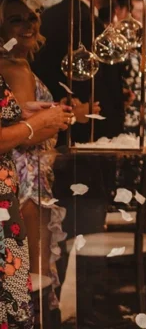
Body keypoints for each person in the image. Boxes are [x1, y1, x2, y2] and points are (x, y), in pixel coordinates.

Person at [0, 0, 79, 316]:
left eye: (31, 17)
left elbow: (16, 118)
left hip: (26, 171)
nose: (28, 25)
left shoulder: (20, 63)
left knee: (30, 269)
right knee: (31, 271)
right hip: (24, 174)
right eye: (16, 19)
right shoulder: (12, 68)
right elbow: (26, 132)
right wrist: (40, 124)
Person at [0, 72, 74, 327]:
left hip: (6, 199)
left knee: (13, 292)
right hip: (11, 196)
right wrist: (36, 123)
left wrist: (21, 114)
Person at [33, 0, 126, 141]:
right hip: (84, 133)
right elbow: (89, 83)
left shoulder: (51, 14)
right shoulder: (85, 22)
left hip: (56, 124)